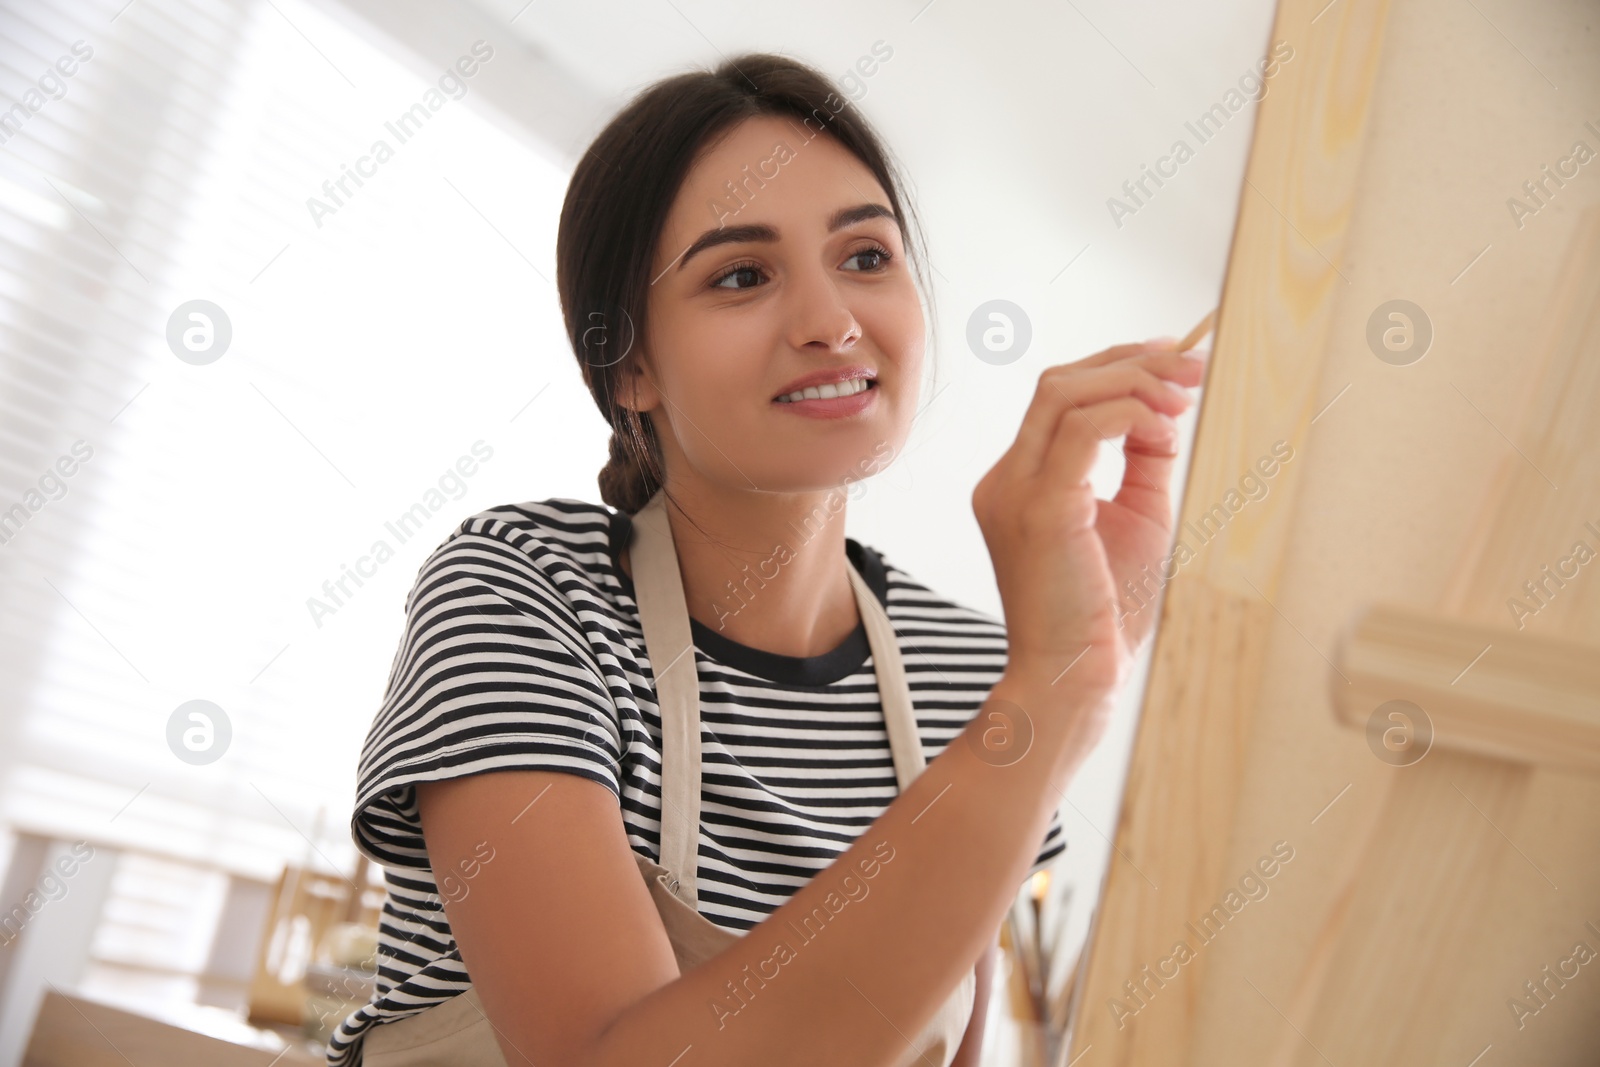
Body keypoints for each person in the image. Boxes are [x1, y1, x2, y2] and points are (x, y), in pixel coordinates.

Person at [328, 51, 1202, 1067]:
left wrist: (1064, 670)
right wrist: (1055, 691)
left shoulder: (967, 671)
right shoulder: (524, 594)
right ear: (630, 364)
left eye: (866, 257)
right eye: (742, 275)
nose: (831, 323)